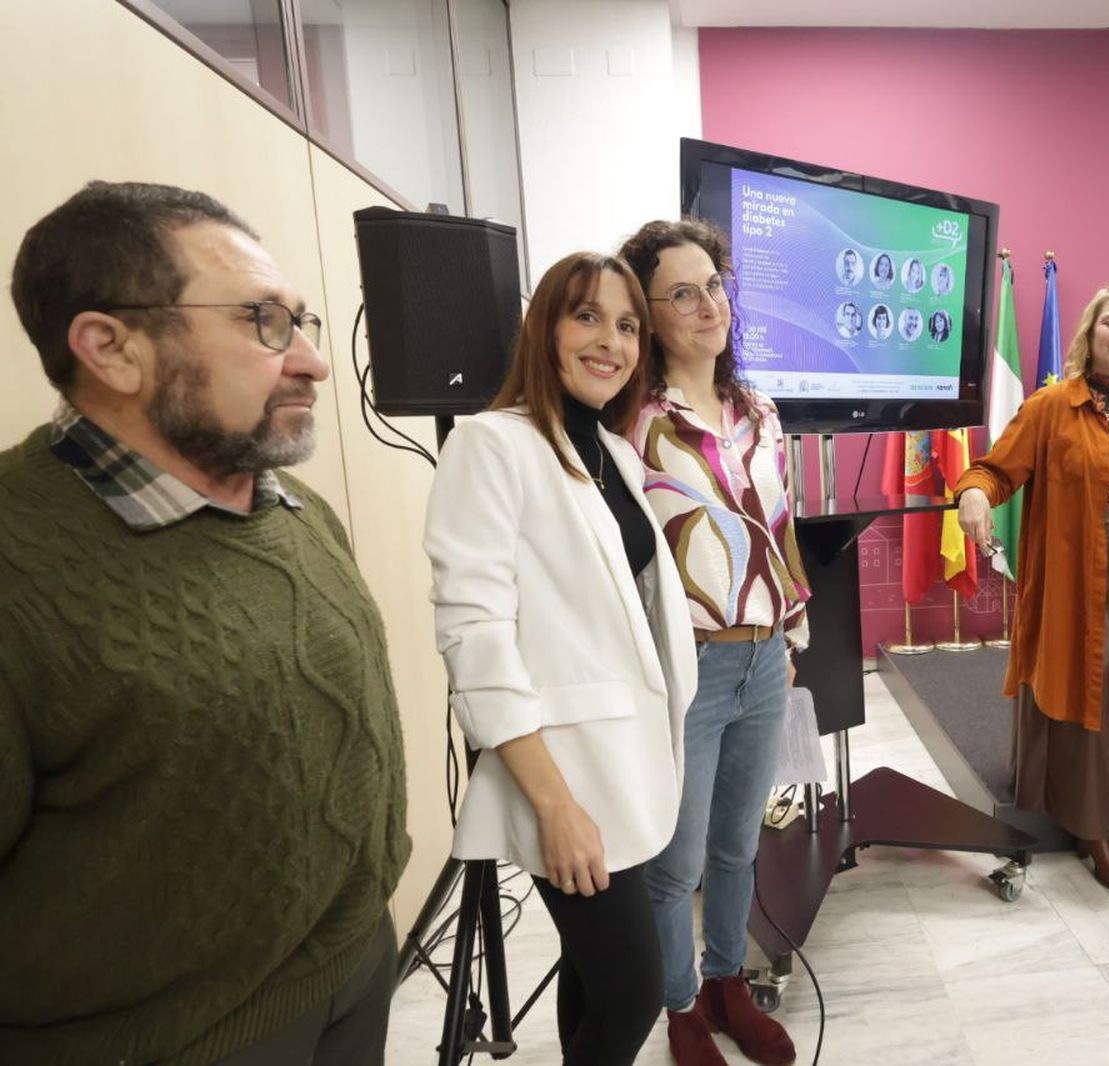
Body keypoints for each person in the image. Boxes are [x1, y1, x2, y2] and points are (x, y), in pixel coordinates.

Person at [0, 181, 410, 1065]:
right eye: (264, 322)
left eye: (300, 321)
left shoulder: (292, 505)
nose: (311, 360)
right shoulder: (16, 568)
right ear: (111, 348)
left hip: (353, 971)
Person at [424, 252, 697, 1063]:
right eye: (586, 317)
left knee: (595, 977)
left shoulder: (606, 451)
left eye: (625, 324)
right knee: (633, 991)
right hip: (566, 775)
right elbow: (474, 633)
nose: (608, 341)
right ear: (544, 328)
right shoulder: (490, 444)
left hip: (630, 764)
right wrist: (555, 805)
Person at [620, 218, 811, 1066]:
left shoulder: (759, 410)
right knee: (677, 857)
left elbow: (781, 528)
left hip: (764, 654)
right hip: (685, 666)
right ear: (649, 312)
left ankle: (729, 982)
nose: (709, 305)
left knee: (739, 842)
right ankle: (681, 1006)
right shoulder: (629, 421)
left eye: (716, 285)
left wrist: (793, 627)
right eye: (683, 293)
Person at [956, 281, 1109, 896]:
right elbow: (993, 468)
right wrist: (976, 494)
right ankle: (1093, 828)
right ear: (1089, 332)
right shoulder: (1051, 405)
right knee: (1085, 683)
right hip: (1077, 572)